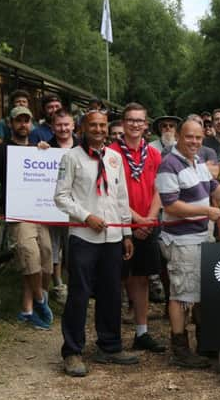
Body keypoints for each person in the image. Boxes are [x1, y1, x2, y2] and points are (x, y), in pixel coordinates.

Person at [54, 109, 137, 377]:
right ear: (83, 127)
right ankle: (72, 351)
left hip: (112, 237)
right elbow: (61, 197)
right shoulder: (72, 158)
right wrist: (85, 216)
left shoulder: (114, 158)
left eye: (103, 125)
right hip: (84, 236)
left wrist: (126, 233)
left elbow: (122, 197)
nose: (99, 129)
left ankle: (110, 346)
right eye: (94, 125)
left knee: (112, 292)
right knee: (79, 294)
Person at [156, 118, 220, 368]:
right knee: (181, 294)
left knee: (200, 292)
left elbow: (214, 189)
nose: (195, 142)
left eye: (199, 138)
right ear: (178, 136)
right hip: (181, 240)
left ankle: (203, 342)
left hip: (201, 236)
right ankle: (180, 350)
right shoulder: (169, 164)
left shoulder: (197, 162)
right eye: (190, 137)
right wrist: (205, 211)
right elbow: (170, 205)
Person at [0, 106, 53, 330]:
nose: (23, 125)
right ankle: (39, 302)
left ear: (31, 124)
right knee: (29, 254)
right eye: (18, 121)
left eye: (26, 121)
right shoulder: (2, 149)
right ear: (11, 123)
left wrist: (46, 152)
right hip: (19, 213)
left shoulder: (37, 148)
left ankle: (37, 304)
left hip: (41, 212)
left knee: (46, 255)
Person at [109, 102, 166, 353]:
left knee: (141, 278)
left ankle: (141, 332)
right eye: (130, 120)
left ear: (145, 124)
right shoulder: (111, 152)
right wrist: (134, 220)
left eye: (139, 120)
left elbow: (160, 187)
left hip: (147, 222)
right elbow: (111, 192)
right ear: (123, 122)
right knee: (115, 279)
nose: (134, 124)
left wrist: (149, 219)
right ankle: (110, 336)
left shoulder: (153, 153)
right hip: (119, 223)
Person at [38, 108, 78, 305]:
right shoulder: (46, 148)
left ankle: (76, 285)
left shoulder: (82, 146)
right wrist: (40, 151)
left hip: (77, 207)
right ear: (53, 127)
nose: (63, 128)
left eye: (66, 124)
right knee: (53, 247)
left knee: (75, 248)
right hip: (51, 207)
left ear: (73, 125)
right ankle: (58, 284)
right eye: (59, 125)